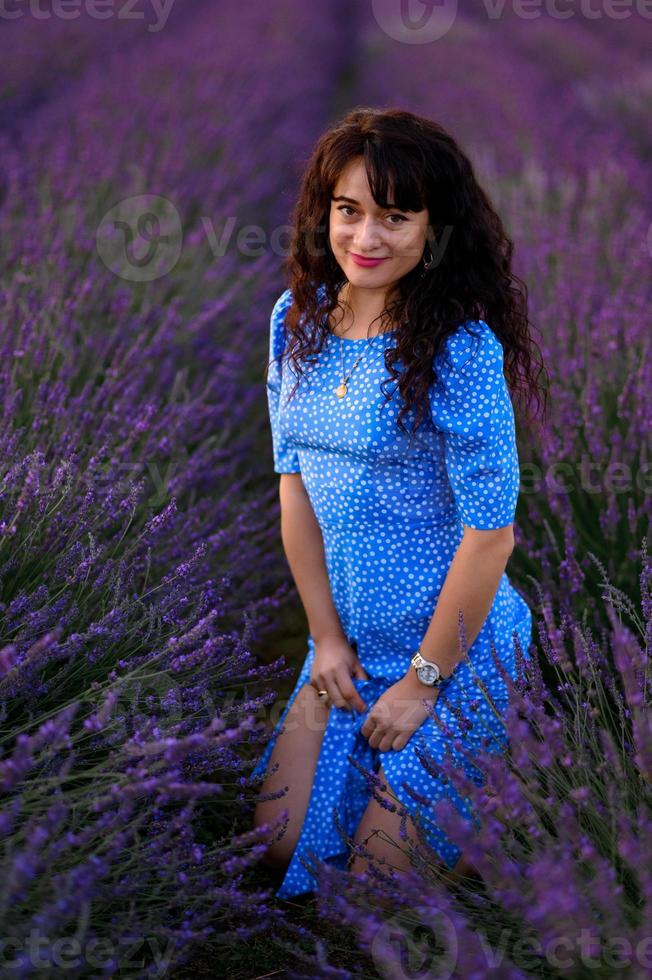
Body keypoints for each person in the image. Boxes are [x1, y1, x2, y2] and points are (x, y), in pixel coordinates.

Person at [251, 106, 548, 900]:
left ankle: (508, 797)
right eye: (349, 211)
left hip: (449, 648)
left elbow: (492, 537)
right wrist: (322, 640)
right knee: (275, 847)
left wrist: (422, 683)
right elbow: (294, 486)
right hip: (347, 642)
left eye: (395, 216)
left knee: (378, 881)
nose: (366, 238)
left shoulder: (459, 347)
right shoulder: (295, 321)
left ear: (434, 228)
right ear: (325, 213)